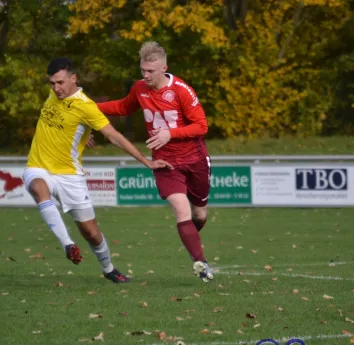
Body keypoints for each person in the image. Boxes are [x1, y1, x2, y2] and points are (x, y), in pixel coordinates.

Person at [23, 57, 171, 283]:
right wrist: (83, 132)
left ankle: (109, 268)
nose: (56, 88)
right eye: (52, 83)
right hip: (38, 167)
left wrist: (147, 162)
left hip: (70, 175)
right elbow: (64, 121)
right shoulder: (54, 95)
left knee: (91, 233)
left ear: (74, 79)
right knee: (37, 187)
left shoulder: (86, 107)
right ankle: (68, 244)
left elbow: (115, 137)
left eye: (61, 82)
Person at [96, 41, 214, 283]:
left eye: (150, 71)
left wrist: (171, 133)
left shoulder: (181, 90)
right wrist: (87, 107)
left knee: (199, 215)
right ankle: (200, 263)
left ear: (164, 68)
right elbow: (122, 107)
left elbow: (202, 126)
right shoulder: (139, 88)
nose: (145, 75)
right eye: (143, 70)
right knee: (181, 210)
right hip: (165, 164)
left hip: (194, 159)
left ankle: (190, 239)